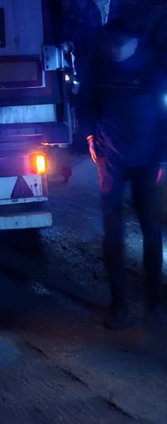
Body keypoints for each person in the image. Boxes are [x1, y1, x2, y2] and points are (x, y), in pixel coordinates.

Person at [77, 18, 167, 330]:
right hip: (112, 161)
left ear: (134, 43)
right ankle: (119, 306)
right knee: (113, 233)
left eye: (120, 43)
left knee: (151, 231)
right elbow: (84, 106)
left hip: (145, 161)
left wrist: (161, 159)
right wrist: (91, 139)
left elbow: (163, 117)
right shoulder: (98, 73)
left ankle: (155, 303)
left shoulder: (150, 75)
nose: (114, 48)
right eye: (111, 43)